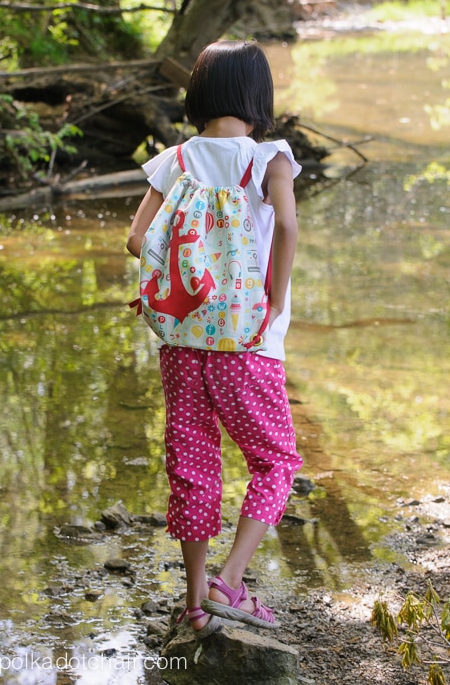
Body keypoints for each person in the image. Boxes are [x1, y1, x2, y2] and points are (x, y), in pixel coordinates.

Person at [127, 39, 303, 639]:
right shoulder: (268, 158)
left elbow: (135, 240)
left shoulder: (176, 159)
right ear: (258, 95)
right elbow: (288, 227)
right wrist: (274, 299)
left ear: (197, 93)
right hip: (247, 345)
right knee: (276, 460)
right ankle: (232, 579)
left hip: (180, 341)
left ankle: (196, 603)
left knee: (193, 462)